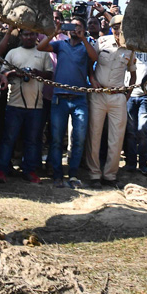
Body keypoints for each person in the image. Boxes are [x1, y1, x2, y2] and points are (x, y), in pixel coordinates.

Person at [38, 18, 99, 188]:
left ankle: (73, 175)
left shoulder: (85, 47)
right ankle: (57, 175)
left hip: (79, 99)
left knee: (78, 139)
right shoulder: (61, 45)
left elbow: (94, 57)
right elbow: (40, 47)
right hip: (60, 98)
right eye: (72, 26)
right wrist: (54, 33)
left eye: (78, 27)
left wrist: (84, 38)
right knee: (56, 139)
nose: (74, 30)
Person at [0, 29, 53, 185]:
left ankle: (29, 171)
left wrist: (36, 73)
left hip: (36, 105)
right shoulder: (13, 53)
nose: (29, 37)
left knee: (32, 140)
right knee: (8, 139)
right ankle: (1, 171)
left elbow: (50, 74)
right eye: (25, 34)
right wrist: (14, 73)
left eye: (32, 34)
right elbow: (2, 73)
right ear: (21, 36)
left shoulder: (43, 53)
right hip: (14, 103)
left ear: (36, 36)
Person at [85, 15, 136, 186]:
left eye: (121, 27)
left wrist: (127, 93)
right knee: (95, 134)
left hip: (117, 96)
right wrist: (92, 79)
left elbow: (133, 72)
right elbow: (89, 63)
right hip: (98, 95)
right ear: (110, 28)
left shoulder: (130, 47)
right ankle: (94, 174)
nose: (118, 30)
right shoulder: (102, 41)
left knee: (116, 137)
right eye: (115, 27)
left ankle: (110, 175)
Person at [124, 50, 147, 177]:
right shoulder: (128, 49)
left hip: (146, 95)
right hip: (129, 94)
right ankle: (130, 163)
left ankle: (143, 163)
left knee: (143, 130)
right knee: (130, 131)